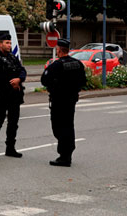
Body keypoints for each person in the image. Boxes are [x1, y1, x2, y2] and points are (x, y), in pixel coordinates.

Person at [41, 38, 86, 167]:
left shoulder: (56, 65)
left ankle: (64, 156)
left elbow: (44, 79)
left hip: (59, 101)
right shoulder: (78, 64)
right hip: (71, 100)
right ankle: (68, 153)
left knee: (58, 127)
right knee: (68, 126)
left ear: (59, 50)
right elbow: (83, 81)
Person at [0, 33, 27, 160]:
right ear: (0, 44)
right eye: (6, 43)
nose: (9, 45)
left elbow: (22, 70)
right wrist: (12, 83)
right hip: (2, 94)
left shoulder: (13, 57)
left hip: (15, 96)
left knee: (13, 123)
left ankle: (10, 148)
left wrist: (19, 79)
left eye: (10, 43)